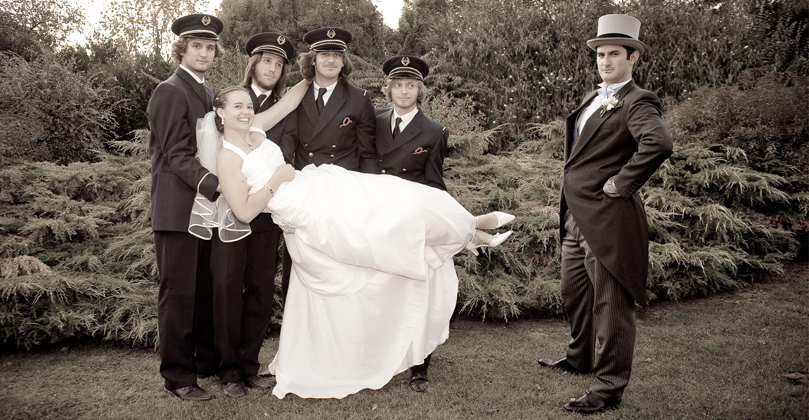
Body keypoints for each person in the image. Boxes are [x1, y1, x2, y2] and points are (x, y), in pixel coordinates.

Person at [198, 83, 515, 399]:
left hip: (316, 183)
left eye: (248, 105)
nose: (246, 111)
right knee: (380, 227)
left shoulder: (256, 127)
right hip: (305, 211)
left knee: (393, 194)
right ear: (220, 112)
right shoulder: (228, 157)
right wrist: (275, 180)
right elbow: (242, 211)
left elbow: (290, 100)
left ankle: (469, 225)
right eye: (237, 107)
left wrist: (314, 71)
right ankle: (469, 231)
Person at [537, 14, 673, 414]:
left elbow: (659, 143)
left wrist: (622, 182)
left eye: (615, 53)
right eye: (600, 53)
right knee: (575, 294)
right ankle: (580, 359)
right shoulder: (591, 98)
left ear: (633, 57)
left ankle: (609, 387)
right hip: (575, 215)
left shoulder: (637, 100)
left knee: (611, 306)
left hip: (610, 218)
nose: (605, 60)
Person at [197, 32, 297, 398]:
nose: (245, 112)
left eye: (278, 62)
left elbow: (288, 114)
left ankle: (249, 366)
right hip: (231, 217)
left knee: (259, 291)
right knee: (225, 289)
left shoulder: (276, 109)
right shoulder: (234, 102)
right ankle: (226, 370)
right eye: (265, 60)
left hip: (269, 218)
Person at [374, 55, 470, 393]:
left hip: (411, 219)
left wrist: (437, 225)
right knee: (382, 291)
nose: (404, 91)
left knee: (417, 292)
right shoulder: (373, 121)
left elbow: (434, 183)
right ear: (389, 90)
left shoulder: (434, 131)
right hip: (376, 215)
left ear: (420, 90)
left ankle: (419, 366)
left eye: (411, 85)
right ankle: (383, 358)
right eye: (398, 85)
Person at [146, 13, 225, 401]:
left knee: (204, 289)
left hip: (206, 209)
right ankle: (178, 376)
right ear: (182, 49)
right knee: (178, 293)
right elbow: (177, 152)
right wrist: (216, 184)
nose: (204, 53)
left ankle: (205, 362)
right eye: (197, 46)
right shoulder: (169, 90)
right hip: (179, 208)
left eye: (210, 48)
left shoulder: (210, 94)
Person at [276, 27, 379, 302]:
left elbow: (367, 153)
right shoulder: (293, 94)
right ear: (313, 60)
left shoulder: (359, 98)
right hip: (303, 191)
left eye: (337, 54)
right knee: (298, 261)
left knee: (337, 265)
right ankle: (295, 328)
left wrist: (368, 199)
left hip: (341, 192)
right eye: (324, 54)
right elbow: (286, 143)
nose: (331, 60)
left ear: (344, 62)